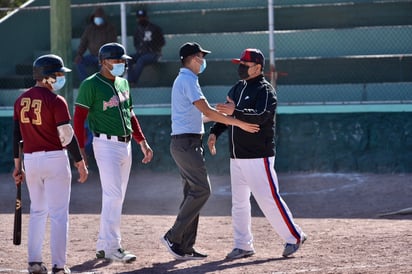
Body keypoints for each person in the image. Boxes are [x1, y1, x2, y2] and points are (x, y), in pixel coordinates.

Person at [160, 42, 260, 260]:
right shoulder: (188, 79)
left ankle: (185, 246)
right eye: (200, 57)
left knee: (192, 193)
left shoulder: (186, 80)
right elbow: (206, 111)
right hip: (186, 144)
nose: (203, 61)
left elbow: (202, 114)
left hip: (186, 142)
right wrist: (236, 122)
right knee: (202, 190)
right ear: (193, 59)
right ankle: (173, 236)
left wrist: (220, 117)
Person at [207, 48, 307, 260]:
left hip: (258, 155)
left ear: (258, 67)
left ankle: (295, 236)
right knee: (239, 203)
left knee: (268, 198)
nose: (241, 67)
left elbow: (261, 116)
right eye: (240, 64)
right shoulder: (237, 88)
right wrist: (215, 131)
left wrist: (235, 113)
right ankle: (243, 245)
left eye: (245, 64)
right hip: (237, 156)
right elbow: (226, 113)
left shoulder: (265, 90)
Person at [73, 42, 153, 263]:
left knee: (117, 197)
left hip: (126, 144)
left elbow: (130, 114)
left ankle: (103, 245)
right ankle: (113, 247)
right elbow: (79, 118)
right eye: (117, 60)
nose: (121, 63)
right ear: (104, 61)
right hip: (105, 144)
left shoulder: (124, 83)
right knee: (113, 195)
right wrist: (80, 148)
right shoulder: (91, 84)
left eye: (122, 60)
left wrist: (141, 141)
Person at [12, 54, 88, 274]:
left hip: (31, 160)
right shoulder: (56, 101)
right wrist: (79, 162)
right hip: (55, 159)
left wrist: (18, 166)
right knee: (58, 214)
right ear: (46, 77)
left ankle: (34, 262)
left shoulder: (20, 100)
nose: (61, 77)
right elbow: (66, 135)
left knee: (37, 212)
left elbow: (17, 134)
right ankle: (58, 266)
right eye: (57, 74)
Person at [74, 7, 117, 82]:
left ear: (103, 18)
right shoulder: (89, 29)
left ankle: (101, 84)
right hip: (92, 55)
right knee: (79, 62)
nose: (98, 19)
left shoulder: (109, 28)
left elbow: (112, 44)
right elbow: (83, 42)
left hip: (104, 57)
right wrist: (79, 54)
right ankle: (86, 82)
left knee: (103, 65)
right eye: (96, 17)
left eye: (99, 17)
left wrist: (107, 56)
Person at [127, 9, 165, 86]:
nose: (141, 19)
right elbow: (136, 43)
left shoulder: (155, 28)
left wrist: (153, 45)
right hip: (141, 53)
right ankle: (130, 80)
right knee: (127, 59)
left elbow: (162, 42)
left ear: (147, 17)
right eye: (139, 18)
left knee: (141, 60)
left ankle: (133, 82)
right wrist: (140, 50)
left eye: (143, 17)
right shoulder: (137, 30)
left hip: (154, 53)